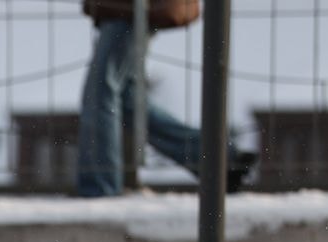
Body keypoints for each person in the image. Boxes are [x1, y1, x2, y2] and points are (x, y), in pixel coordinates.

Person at [77, 0, 257, 197]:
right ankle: (216, 160)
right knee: (125, 99)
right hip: (131, 8)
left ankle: (100, 186)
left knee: (102, 91)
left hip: (131, 6)